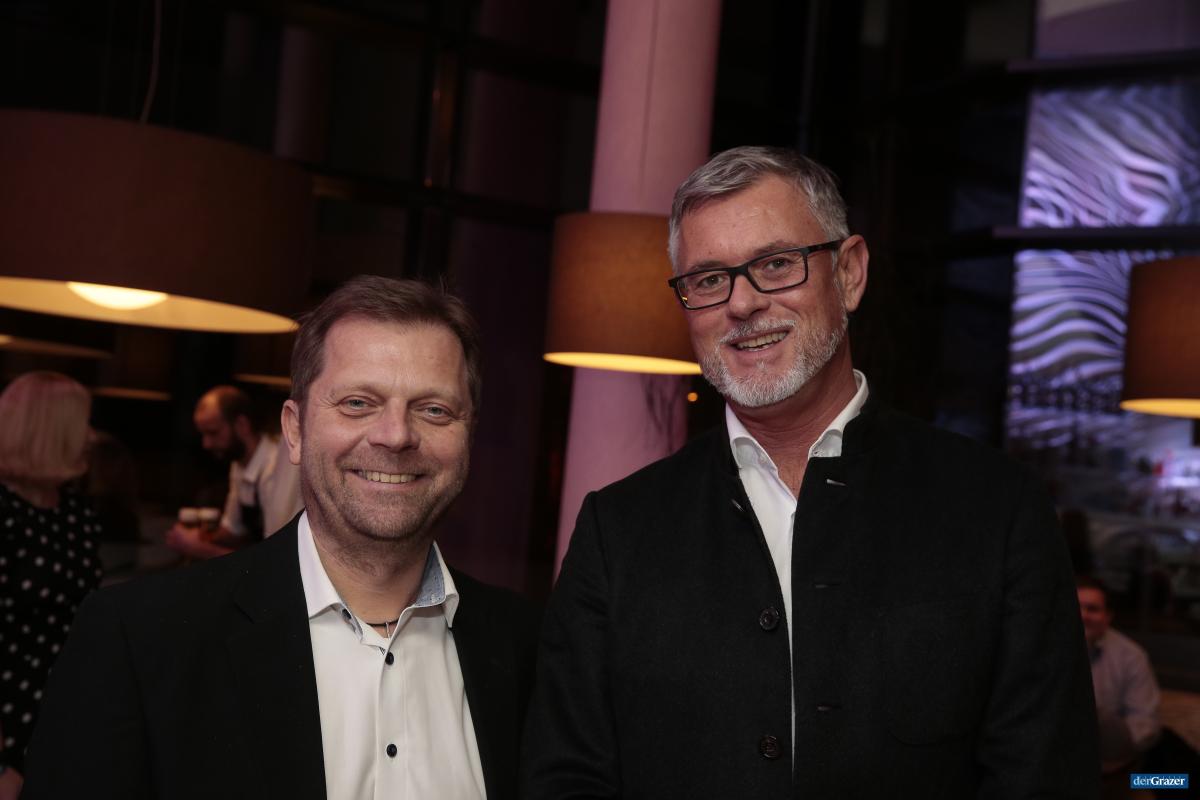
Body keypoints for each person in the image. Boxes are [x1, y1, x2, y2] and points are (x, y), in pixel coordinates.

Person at [522, 147, 1098, 798]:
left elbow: (1047, 776)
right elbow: (565, 777)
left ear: (849, 273)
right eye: (708, 279)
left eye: (775, 264)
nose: (742, 304)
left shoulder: (997, 508)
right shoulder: (619, 530)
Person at [22, 276, 540, 800]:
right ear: (294, 430)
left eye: (434, 410)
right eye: (358, 403)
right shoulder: (140, 639)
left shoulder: (528, 649)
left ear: (467, 437)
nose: (396, 435)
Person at [0, 372, 104, 796]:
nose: (91, 436)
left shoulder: (76, 510)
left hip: (60, 710)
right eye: (83, 422)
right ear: (48, 429)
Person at [166, 385, 302, 559]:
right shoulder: (239, 464)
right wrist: (199, 537)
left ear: (241, 425)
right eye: (203, 434)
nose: (206, 444)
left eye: (213, 433)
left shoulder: (276, 470)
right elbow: (233, 530)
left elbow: (276, 557)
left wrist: (199, 548)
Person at [1076, 576, 1161, 769]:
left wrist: (1116, 749)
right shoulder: (1043, 648)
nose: (1083, 615)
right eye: (1076, 607)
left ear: (1108, 616)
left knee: (1177, 781)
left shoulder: (1131, 656)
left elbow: (1145, 724)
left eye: (1092, 609)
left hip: (1110, 763)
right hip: (1052, 760)